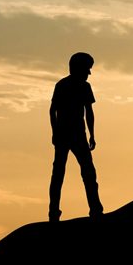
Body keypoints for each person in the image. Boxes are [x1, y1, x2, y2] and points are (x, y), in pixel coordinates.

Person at [48, 52, 104, 222]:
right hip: (69, 135)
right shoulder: (67, 85)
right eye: (87, 69)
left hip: (75, 135)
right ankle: (55, 212)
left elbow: (89, 113)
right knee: (64, 173)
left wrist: (92, 135)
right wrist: (55, 132)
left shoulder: (80, 86)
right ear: (78, 68)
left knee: (84, 172)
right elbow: (53, 110)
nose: (89, 73)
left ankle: (94, 208)